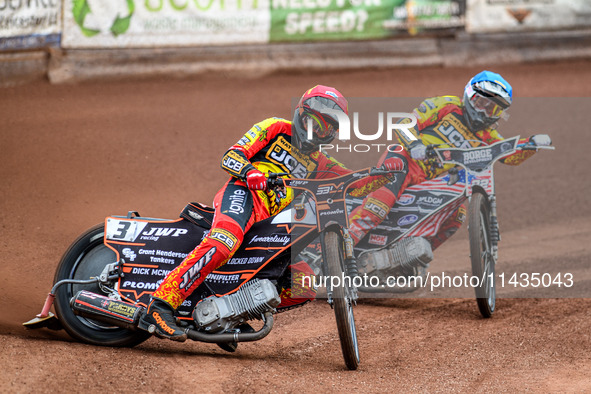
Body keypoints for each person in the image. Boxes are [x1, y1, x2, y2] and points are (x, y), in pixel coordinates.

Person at [138, 85, 405, 341]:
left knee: (303, 287)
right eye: (313, 121)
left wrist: (385, 171)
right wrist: (249, 172)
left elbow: (354, 185)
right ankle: (161, 305)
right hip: (243, 196)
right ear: (301, 114)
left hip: (270, 224)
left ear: (332, 133)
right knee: (223, 243)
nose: (315, 131)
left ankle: (227, 315)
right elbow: (231, 156)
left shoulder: (322, 163)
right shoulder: (275, 127)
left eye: (324, 127)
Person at [348, 70, 552, 250]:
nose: (483, 111)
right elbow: (404, 124)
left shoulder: (487, 135)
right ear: (469, 97)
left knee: (456, 215)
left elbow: (508, 156)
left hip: (433, 181)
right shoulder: (446, 105)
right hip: (405, 161)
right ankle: (343, 246)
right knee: (377, 207)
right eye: (481, 103)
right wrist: (415, 145)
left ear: (500, 113)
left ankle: (410, 255)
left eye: (492, 108)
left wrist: (531, 144)